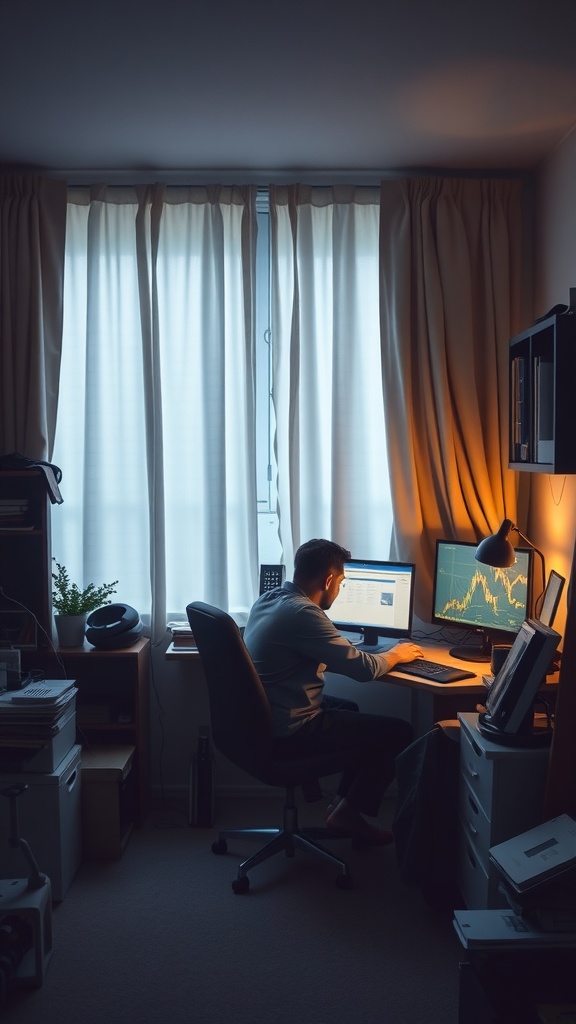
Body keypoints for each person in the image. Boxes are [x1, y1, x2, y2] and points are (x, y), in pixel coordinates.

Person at [243, 538, 424, 845]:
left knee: (349, 710)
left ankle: (341, 809)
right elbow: (364, 670)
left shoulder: (270, 598)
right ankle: (347, 813)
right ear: (328, 580)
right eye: (341, 582)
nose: (340, 590)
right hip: (290, 730)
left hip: (260, 720)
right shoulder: (304, 614)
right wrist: (397, 654)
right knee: (399, 732)